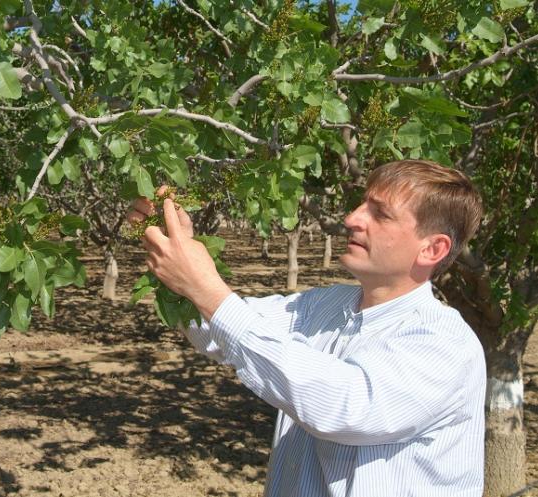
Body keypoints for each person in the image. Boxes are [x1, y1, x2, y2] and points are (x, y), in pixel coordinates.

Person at [127, 159, 486, 497]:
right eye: (362, 205)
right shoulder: (323, 306)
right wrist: (179, 250)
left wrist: (204, 287)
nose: (351, 218)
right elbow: (219, 331)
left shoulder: (444, 344)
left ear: (432, 249)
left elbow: (342, 407)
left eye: (381, 214)